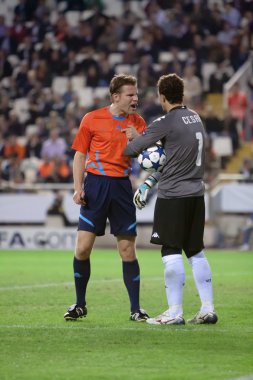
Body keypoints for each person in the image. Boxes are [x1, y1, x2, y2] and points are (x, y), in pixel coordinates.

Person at [124, 73, 218, 325]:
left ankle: (174, 312)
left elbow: (131, 150)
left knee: (170, 249)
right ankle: (207, 308)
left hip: (173, 196)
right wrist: (150, 179)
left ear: (162, 97)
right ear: (182, 95)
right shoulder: (195, 118)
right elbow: (175, 156)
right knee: (196, 251)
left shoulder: (165, 121)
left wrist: (134, 137)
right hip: (197, 195)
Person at [64, 74, 149, 322]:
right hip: (96, 185)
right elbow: (80, 155)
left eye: (136, 94)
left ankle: (136, 309)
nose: (135, 98)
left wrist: (139, 140)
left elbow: (146, 157)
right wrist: (78, 188)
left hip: (122, 187)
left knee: (127, 250)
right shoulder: (92, 119)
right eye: (130, 94)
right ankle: (80, 305)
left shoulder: (139, 122)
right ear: (115, 97)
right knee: (82, 248)